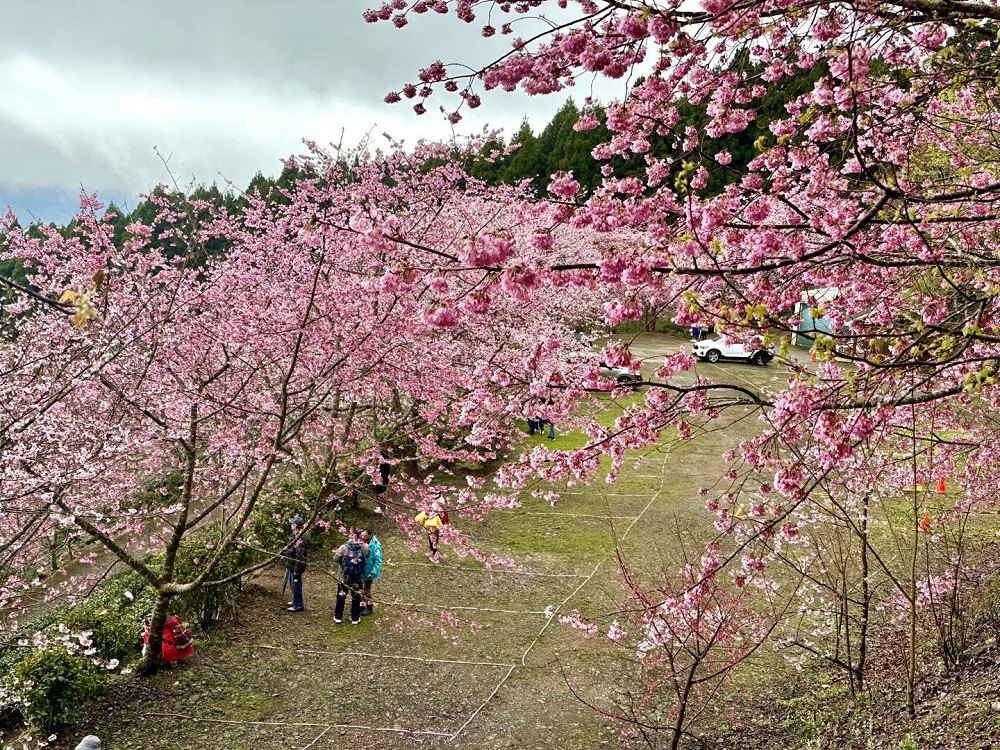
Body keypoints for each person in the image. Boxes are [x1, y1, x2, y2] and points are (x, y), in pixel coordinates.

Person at [333, 530, 370, 624]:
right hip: (358, 576)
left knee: (341, 596)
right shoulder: (365, 547)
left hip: (344, 576)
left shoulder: (343, 547)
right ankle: (355, 618)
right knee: (357, 596)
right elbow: (366, 557)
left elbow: (336, 559)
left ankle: (338, 617)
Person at [282, 516, 310, 612]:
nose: (291, 525)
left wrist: (296, 571)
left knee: (296, 584)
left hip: (295, 566)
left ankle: (298, 604)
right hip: (292, 564)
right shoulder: (296, 535)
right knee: (294, 584)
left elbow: (300, 557)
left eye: (292, 524)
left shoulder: (301, 539)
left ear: (296, 526)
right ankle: (295, 601)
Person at [360, 528, 383, 616]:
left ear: (370, 535)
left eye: (364, 535)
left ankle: (369, 608)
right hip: (363, 569)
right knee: (361, 589)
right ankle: (362, 605)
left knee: (366, 590)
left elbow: (378, 561)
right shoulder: (365, 542)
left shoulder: (375, 545)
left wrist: (373, 572)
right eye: (362, 535)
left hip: (369, 571)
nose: (363, 537)